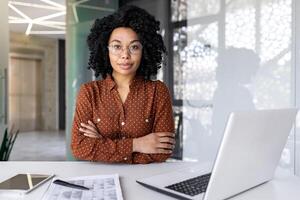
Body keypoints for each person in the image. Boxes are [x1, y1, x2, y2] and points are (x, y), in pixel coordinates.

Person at [71, 5, 175, 164]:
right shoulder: (89, 92)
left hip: (143, 179)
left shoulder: (158, 92)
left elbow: (163, 151)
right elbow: (79, 147)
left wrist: (102, 144)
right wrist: (138, 144)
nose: (125, 55)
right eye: (117, 46)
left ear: (144, 50)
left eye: (134, 47)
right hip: (100, 178)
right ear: (106, 50)